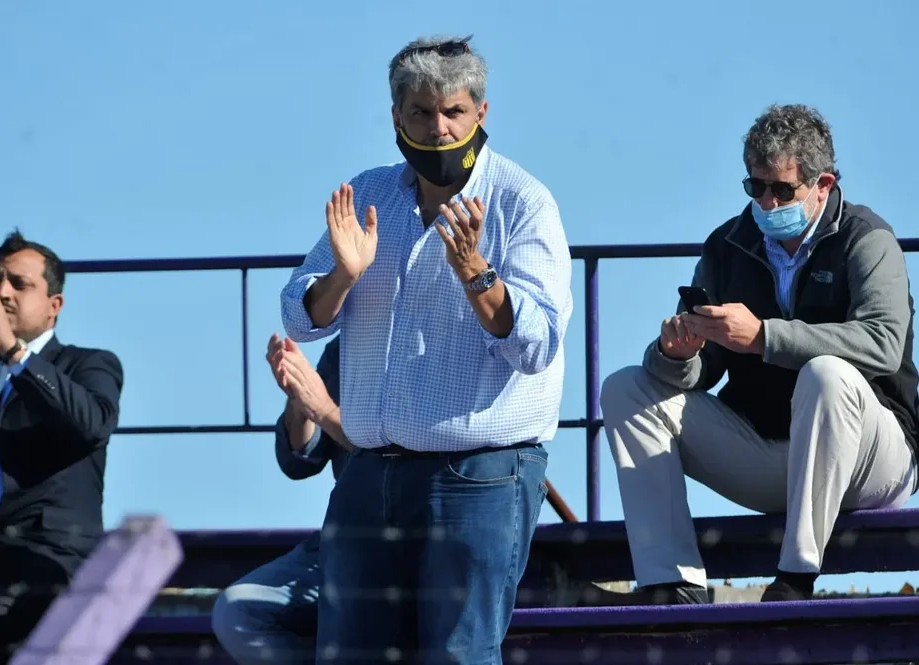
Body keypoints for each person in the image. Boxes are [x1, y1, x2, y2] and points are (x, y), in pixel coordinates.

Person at [279, 34, 573, 665]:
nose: (438, 129)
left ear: (481, 114)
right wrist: (343, 276)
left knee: (457, 656)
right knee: (350, 653)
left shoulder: (523, 202)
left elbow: (539, 344)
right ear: (395, 117)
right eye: (420, 112)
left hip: (479, 473)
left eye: (453, 112)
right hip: (370, 472)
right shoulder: (369, 194)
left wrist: (478, 276)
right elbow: (298, 318)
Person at [600, 104, 918, 605]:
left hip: (872, 463)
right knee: (625, 386)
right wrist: (676, 354)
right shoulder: (728, 245)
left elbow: (882, 343)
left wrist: (766, 336)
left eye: (783, 190)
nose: (768, 203)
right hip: (771, 458)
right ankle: (672, 584)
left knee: (827, 374)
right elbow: (702, 372)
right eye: (756, 187)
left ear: (824, 184)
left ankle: (795, 579)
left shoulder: (868, 239)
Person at [0, 231, 124, 663]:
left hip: (38, 549)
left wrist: (12, 353)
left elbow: (88, 426)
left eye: (19, 283)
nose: (2, 292)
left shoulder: (89, 364)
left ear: (55, 306)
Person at [212, 333, 349, 665]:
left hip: (417, 542)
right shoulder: (345, 347)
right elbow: (301, 460)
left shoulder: (447, 344)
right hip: (341, 543)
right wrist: (299, 400)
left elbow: (394, 450)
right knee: (238, 613)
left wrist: (326, 411)